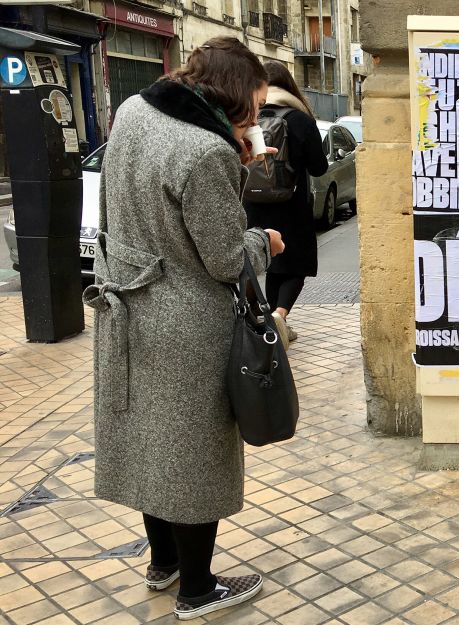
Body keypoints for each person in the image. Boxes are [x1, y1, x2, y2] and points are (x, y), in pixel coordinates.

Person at [83, 37, 284, 620]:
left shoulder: (135, 112)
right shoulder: (206, 151)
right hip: (186, 323)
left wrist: (234, 158)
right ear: (227, 94)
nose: (255, 114)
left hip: (129, 310)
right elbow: (223, 258)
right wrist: (263, 243)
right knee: (194, 452)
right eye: (253, 103)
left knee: (154, 443)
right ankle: (198, 588)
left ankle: (162, 563)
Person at [244, 61, 328, 345]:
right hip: (292, 206)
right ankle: (279, 315)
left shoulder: (250, 116)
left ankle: (272, 320)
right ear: (289, 86)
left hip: (253, 203)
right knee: (296, 265)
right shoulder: (300, 120)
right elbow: (318, 168)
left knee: (271, 261)